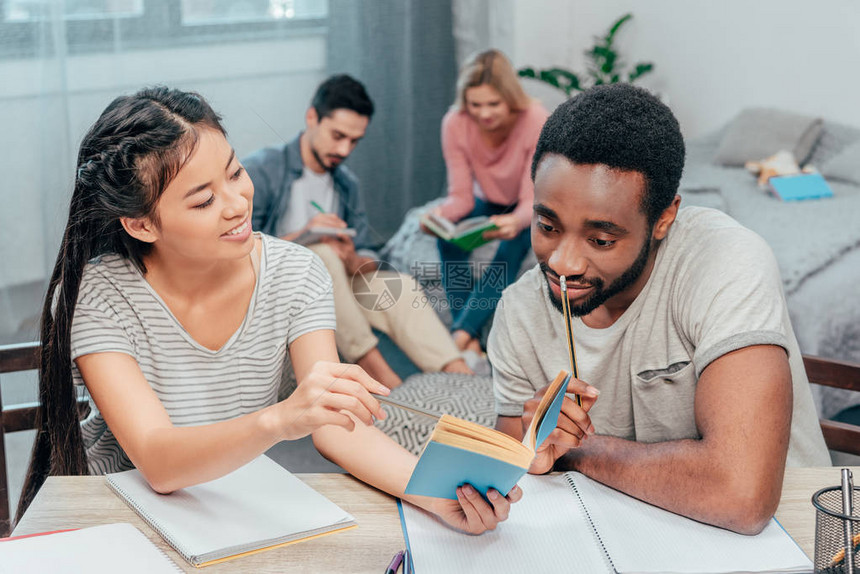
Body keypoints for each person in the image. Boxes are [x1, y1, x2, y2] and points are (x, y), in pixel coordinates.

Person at [16, 86, 519, 535]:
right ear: (143, 225)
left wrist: (436, 497)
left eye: (235, 172)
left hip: (225, 509)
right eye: (203, 200)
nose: (236, 203)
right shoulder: (101, 294)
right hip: (112, 514)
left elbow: (334, 426)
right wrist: (279, 419)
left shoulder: (295, 275)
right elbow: (158, 461)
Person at [489, 83, 830, 535]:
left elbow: (742, 496)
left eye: (601, 240)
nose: (563, 264)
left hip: (791, 542)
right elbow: (513, 456)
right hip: (624, 534)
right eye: (547, 225)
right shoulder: (519, 309)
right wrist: (532, 446)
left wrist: (577, 451)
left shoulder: (726, 261)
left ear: (664, 218)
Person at [246, 74, 469, 389]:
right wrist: (306, 235)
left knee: (399, 286)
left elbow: (365, 249)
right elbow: (239, 248)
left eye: (354, 141)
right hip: (280, 287)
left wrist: (353, 259)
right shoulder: (263, 170)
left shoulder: (347, 184)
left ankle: (463, 377)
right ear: (312, 117)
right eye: (337, 135)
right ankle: (384, 380)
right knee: (320, 254)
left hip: (338, 282)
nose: (344, 148)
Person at [425, 49, 548, 354]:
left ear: (510, 98)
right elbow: (461, 198)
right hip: (488, 201)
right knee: (447, 241)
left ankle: (460, 336)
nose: (483, 113)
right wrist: (437, 217)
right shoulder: (454, 122)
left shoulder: (535, 119)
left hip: (527, 205)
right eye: (475, 104)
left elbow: (529, 199)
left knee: (513, 246)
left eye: (493, 104)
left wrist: (514, 222)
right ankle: (471, 341)